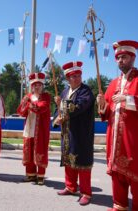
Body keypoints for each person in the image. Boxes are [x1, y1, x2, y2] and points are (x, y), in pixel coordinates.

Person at [97, 40, 138, 211]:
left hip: (134, 137)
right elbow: (106, 112)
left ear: (132, 58)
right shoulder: (113, 83)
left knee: (136, 172)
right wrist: (101, 104)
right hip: (114, 137)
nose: (120, 60)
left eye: (124, 57)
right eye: (118, 58)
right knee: (117, 173)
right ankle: (119, 205)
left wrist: (127, 99)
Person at [53, 61, 94, 206]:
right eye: (73, 76)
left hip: (81, 133)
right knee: (68, 161)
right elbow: (57, 112)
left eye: (78, 75)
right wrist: (56, 116)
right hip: (67, 133)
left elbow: (79, 106)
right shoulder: (64, 92)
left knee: (82, 162)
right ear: (67, 79)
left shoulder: (85, 91)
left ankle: (86, 192)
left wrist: (62, 107)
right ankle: (70, 186)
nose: (76, 78)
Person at [17, 72, 51, 185]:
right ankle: (30, 174)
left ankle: (40, 175)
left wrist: (31, 104)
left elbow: (42, 108)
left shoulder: (45, 96)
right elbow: (21, 112)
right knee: (29, 152)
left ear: (42, 86)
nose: (37, 87)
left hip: (40, 130)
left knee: (40, 150)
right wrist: (25, 104)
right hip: (29, 128)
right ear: (32, 86)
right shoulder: (27, 97)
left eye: (39, 85)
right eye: (35, 85)